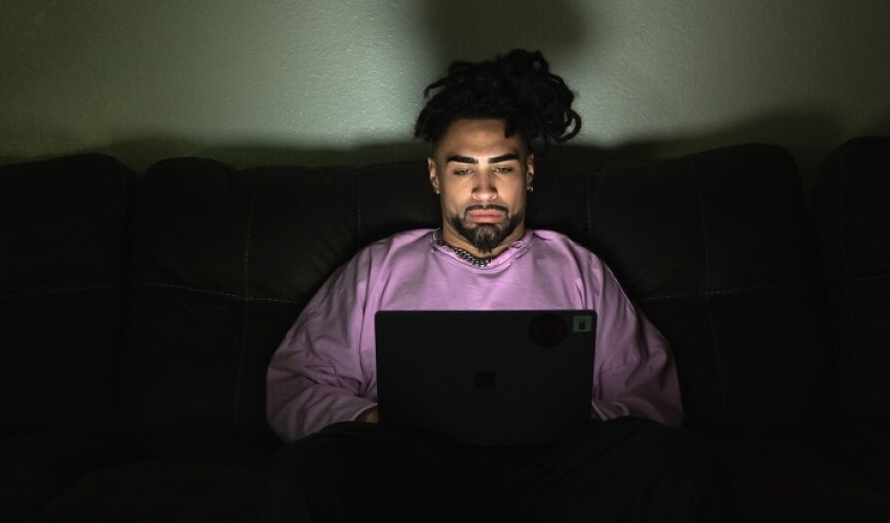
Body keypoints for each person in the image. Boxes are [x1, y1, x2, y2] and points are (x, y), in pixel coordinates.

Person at [259, 50, 709, 523]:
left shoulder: (580, 269)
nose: (484, 190)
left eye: (503, 167)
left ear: (529, 173)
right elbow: (294, 383)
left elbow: (651, 392)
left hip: (552, 475)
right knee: (304, 471)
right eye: (463, 169)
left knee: (678, 461)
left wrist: (584, 422)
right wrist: (372, 420)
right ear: (435, 176)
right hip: (413, 473)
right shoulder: (379, 267)